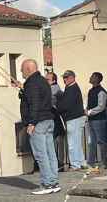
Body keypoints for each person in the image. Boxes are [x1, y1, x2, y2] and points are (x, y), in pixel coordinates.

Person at [19, 59, 60, 195]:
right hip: (49, 120)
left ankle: (47, 184)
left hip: (38, 122)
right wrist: (23, 92)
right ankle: (53, 182)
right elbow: (39, 99)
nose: (20, 72)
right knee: (50, 153)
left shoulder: (31, 83)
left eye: (22, 69)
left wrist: (32, 123)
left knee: (41, 154)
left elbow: (35, 103)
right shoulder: (42, 81)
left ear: (29, 69)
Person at [57, 70, 86, 171]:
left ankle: (75, 165)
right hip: (77, 118)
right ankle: (82, 162)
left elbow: (66, 105)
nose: (64, 79)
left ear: (72, 77)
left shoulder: (71, 89)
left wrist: (57, 107)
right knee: (77, 142)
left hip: (74, 118)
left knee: (72, 143)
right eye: (64, 77)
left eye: (67, 77)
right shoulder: (71, 87)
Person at [86, 72, 107, 174]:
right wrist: (87, 111)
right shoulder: (91, 91)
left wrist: (89, 112)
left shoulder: (101, 92)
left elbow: (101, 106)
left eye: (92, 76)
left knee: (102, 142)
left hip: (100, 120)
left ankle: (104, 162)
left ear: (97, 79)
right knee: (92, 142)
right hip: (91, 120)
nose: (90, 78)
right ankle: (90, 162)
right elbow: (89, 104)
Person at [45, 72, 66, 171]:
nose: (45, 81)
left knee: (56, 141)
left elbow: (46, 98)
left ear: (53, 80)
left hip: (55, 117)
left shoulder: (54, 89)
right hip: (54, 117)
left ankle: (59, 163)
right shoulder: (52, 89)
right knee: (56, 142)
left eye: (48, 80)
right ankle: (58, 163)